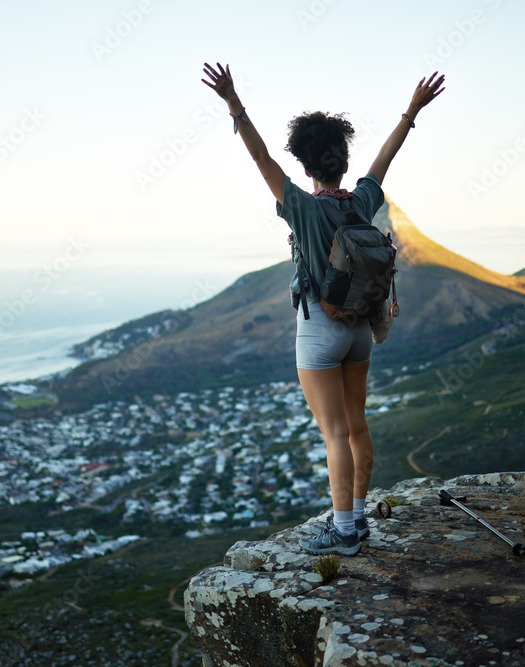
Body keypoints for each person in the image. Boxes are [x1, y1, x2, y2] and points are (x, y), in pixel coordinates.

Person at [202, 62, 445, 555]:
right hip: (361, 330)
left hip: (318, 330)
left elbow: (262, 160)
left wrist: (233, 103)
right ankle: (356, 518)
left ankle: (344, 533)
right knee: (357, 425)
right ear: (342, 161)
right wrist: (412, 110)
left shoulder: (303, 206)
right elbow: (384, 160)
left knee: (333, 433)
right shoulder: (364, 200)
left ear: (308, 167)